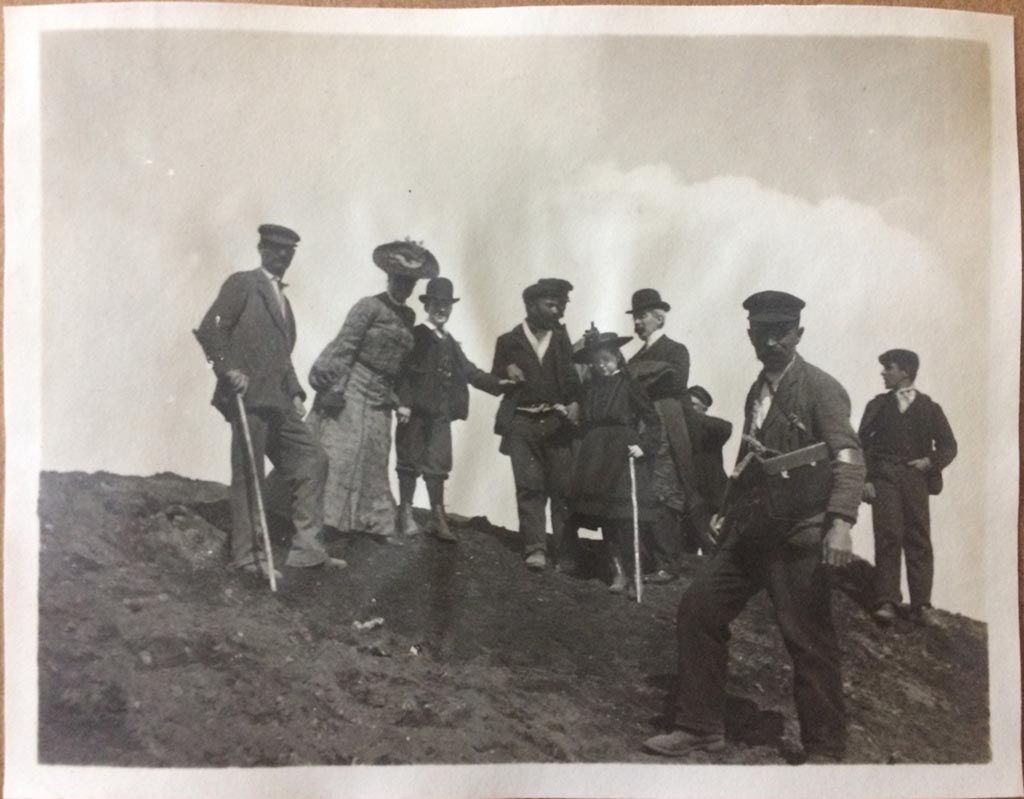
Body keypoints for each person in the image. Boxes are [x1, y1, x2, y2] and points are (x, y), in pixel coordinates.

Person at [643, 290, 866, 764]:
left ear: (797, 334)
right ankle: (700, 727)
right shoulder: (757, 391)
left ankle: (825, 750)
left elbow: (848, 456)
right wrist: (727, 513)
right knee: (698, 610)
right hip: (752, 532)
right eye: (761, 333)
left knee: (807, 640)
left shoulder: (820, 387)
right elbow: (750, 462)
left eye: (780, 333)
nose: (771, 341)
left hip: (800, 533)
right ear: (750, 335)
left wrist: (841, 522)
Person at [194, 224, 343, 579]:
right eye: (275, 249)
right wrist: (228, 370)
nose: (282, 256)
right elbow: (210, 329)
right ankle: (247, 557)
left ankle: (307, 549)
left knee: (312, 459)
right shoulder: (242, 284)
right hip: (248, 399)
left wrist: (294, 391)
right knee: (250, 474)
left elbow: (282, 357)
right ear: (261, 249)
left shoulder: (285, 304)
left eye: (288, 251)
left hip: (278, 402)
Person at [307, 240, 438, 545]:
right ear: (389, 278)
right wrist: (331, 384)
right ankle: (324, 523)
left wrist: (397, 398)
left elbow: (403, 366)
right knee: (341, 452)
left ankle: (375, 524)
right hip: (353, 385)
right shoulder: (368, 306)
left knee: (376, 458)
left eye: (411, 283)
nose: (405, 287)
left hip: (381, 395)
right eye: (400, 281)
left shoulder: (408, 319)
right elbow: (345, 345)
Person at [395, 277, 514, 542]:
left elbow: (469, 371)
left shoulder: (449, 341)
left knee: (438, 463)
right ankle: (405, 513)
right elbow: (401, 371)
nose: (442, 309)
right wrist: (403, 402)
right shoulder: (416, 335)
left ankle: (438, 517)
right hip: (414, 411)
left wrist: (499, 383)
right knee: (409, 460)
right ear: (427, 305)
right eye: (437, 303)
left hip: (440, 414)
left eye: (446, 305)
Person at [858, 349, 957, 627]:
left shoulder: (930, 407)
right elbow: (861, 445)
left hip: (915, 480)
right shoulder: (877, 405)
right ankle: (887, 600)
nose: (883, 373)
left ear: (904, 372)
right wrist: (865, 480)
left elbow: (949, 446)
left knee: (918, 538)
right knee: (888, 534)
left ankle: (921, 605)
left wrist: (930, 462)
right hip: (884, 478)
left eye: (888, 368)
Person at [491, 278, 582, 572]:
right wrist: (506, 369)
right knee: (529, 487)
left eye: (560, 305)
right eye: (551, 304)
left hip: (557, 424)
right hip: (522, 423)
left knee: (563, 489)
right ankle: (536, 548)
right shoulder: (508, 341)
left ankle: (566, 553)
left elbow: (571, 381)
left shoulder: (560, 339)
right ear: (531, 305)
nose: (557, 311)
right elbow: (495, 375)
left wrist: (575, 404)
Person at [567, 329, 661, 595]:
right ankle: (617, 572)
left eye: (606, 359)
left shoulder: (630, 385)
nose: (602, 365)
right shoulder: (591, 386)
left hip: (623, 452)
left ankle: (635, 574)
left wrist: (644, 446)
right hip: (596, 454)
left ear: (618, 358)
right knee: (605, 517)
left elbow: (653, 421)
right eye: (597, 361)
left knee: (625, 517)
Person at [626, 288, 699, 584]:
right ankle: (648, 559)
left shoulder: (675, 350)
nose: (637, 322)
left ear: (658, 317)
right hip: (640, 422)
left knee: (664, 486)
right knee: (642, 485)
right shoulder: (634, 358)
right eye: (635, 317)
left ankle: (668, 563)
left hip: (665, 422)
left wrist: (637, 378)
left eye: (642, 316)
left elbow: (674, 380)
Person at [682, 385, 733, 553]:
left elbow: (726, 427)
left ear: (705, 408)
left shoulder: (713, 429)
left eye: (693, 405)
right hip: (688, 498)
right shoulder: (681, 430)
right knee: (687, 549)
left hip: (710, 497)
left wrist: (690, 415)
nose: (688, 409)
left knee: (710, 546)